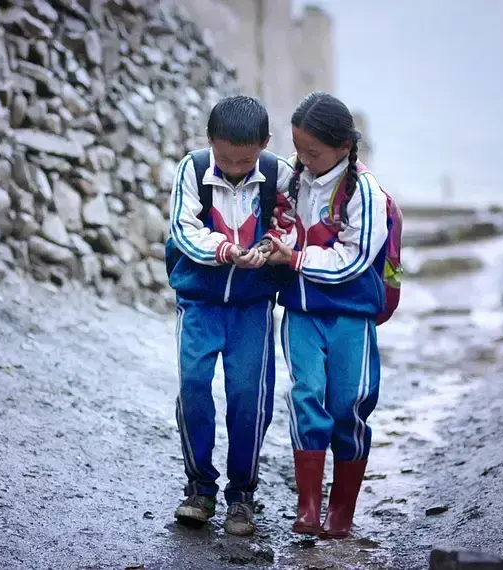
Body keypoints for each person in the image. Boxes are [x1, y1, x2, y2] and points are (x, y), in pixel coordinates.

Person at [164, 95, 296, 536]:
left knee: (248, 396)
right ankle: (199, 488)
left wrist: (265, 249)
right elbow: (184, 228)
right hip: (199, 301)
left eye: (245, 159)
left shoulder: (279, 174)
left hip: (253, 307)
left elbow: (288, 225)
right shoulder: (193, 168)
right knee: (194, 385)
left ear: (264, 144)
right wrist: (224, 251)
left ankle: (242, 495)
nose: (235, 167)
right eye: (225, 158)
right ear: (209, 142)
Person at [265, 92, 389, 539]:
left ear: (342, 147)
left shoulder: (365, 192)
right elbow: (277, 226)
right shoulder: (293, 181)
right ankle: (309, 507)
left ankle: (342, 510)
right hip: (300, 311)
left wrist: (296, 258)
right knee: (306, 397)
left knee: (348, 407)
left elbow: (355, 260)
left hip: (350, 317)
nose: (303, 158)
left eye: (313, 152)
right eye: (298, 148)